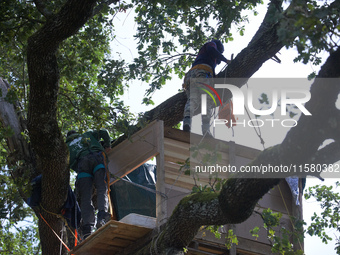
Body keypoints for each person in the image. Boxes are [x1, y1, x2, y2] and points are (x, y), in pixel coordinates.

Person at [66, 129, 112, 239]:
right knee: (102, 188)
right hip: (96, 159)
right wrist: (107, 145)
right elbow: (104, 132)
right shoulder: (86, 134)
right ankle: (102, 216)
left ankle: (87, 229)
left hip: (82, 166)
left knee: (85, 198)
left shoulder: (66, 147)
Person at [182, 39, 231, 135]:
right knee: (207, 100)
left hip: (191, 75)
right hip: (203, 73)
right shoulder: (211, 45)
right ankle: (205, 128)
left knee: (193, 99)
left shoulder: (202, 55)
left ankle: (187, 121)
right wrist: (225, 60)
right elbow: (212, 50)